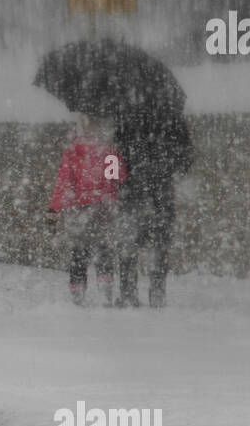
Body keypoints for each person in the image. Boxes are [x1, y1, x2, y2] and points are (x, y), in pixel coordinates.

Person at [113, 110, 193, 308]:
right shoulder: (172, 117)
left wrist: (117, 180)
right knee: (159, 244)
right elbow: (186, 156)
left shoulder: (126, 115)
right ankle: (157, 293)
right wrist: (171, 171)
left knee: (129, 245)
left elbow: (115, 155)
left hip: (132, 192)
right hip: (161, 191)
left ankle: (128, 294)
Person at [46, 115, 127, 306]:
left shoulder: (73, 150)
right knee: (104, 247)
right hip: (104, 206)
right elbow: (117, 178)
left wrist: (54, 209)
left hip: (78, 207)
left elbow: (64, 182)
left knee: (79, 251)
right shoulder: (109, 149)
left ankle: (77, 291)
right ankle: (105, 286)